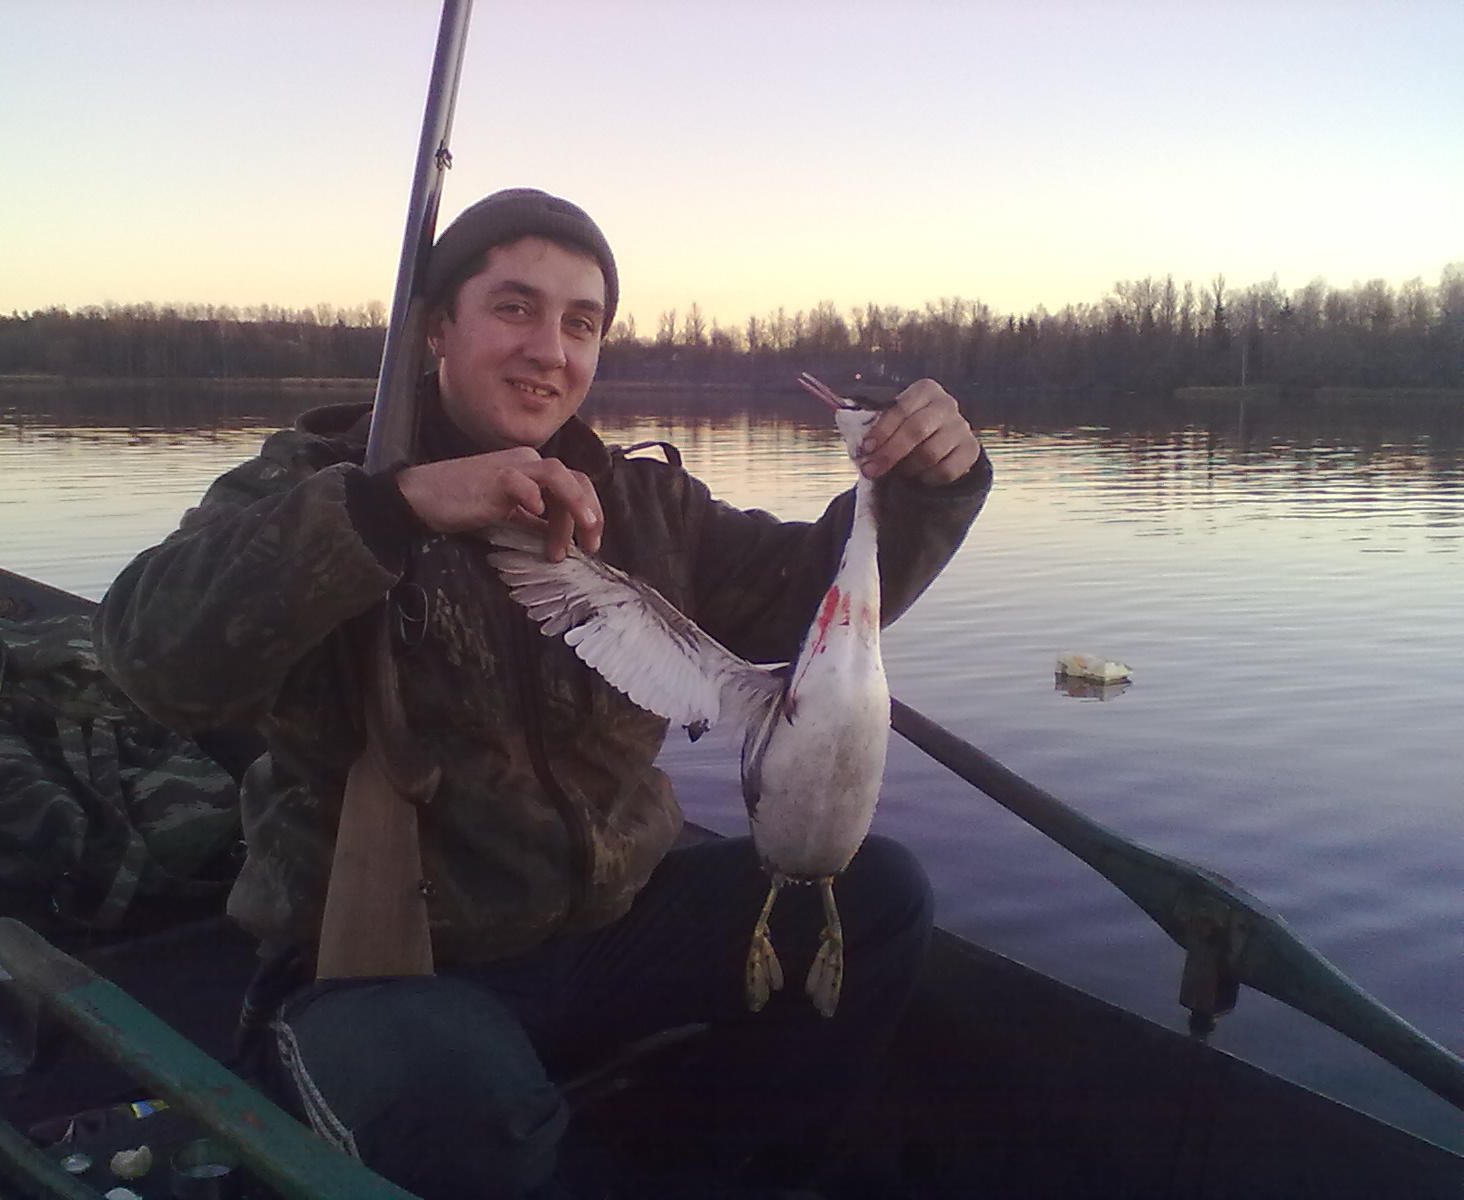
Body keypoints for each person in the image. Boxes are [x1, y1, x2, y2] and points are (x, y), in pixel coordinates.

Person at [95, 188, 990, 1199]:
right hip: (391, 968)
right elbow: (147, 659)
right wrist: (394, 508)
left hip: (616, 925)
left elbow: (809, 603)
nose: (549, 351)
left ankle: (740, 1173)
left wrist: (926, 488)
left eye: (581, 323)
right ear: (437, 327)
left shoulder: (642, 504)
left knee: (877, 897)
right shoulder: (317, 487)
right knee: (456, 1097)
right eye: (514, 307)